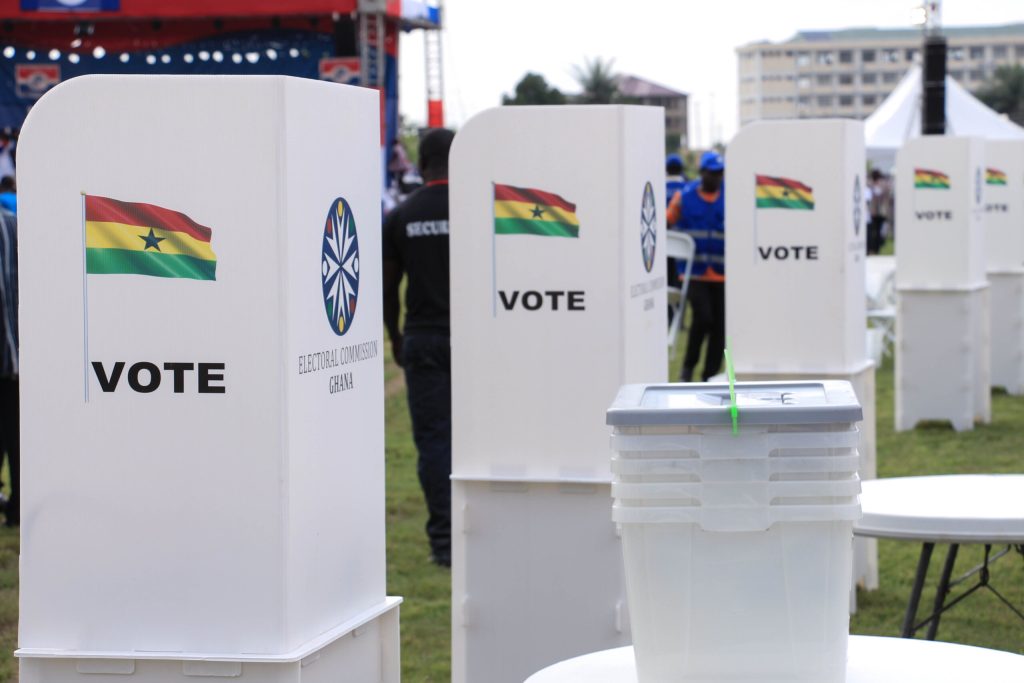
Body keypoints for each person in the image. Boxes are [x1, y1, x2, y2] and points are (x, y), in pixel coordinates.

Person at [382, 128, 455, 567]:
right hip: (474, 341)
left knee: (433, 442)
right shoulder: (479, 211)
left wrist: (395, 334)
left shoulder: (401, 216)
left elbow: (389, 288)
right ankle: (478, 533)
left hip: (423, 338)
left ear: (421, 165)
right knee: (476, 439)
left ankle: (444, 544)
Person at [673, 150, 725, 382]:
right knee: (703, 318)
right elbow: (666, 221)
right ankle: (687, 369)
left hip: (723, 276)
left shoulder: (731, 197)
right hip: (694, 274)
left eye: (720, 173)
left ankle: (709, 376)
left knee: (720, 329)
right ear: (702, 173)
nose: (717, 177)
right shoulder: (684, 196)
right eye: (713, 173)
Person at [0, 207, 17, 526]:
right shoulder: (15, 225)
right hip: (15, 358)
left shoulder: (14, 226)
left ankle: (18, 508)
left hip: (14, 360)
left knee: (18, 438)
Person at [866, 169, 891, 255]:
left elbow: (880, 193)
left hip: (880, 211)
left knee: (878, 231)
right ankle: (874, 248)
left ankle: (876, 248)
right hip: (875, 212)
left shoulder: (881, 184)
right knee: (875, 231)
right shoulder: (874, 184)